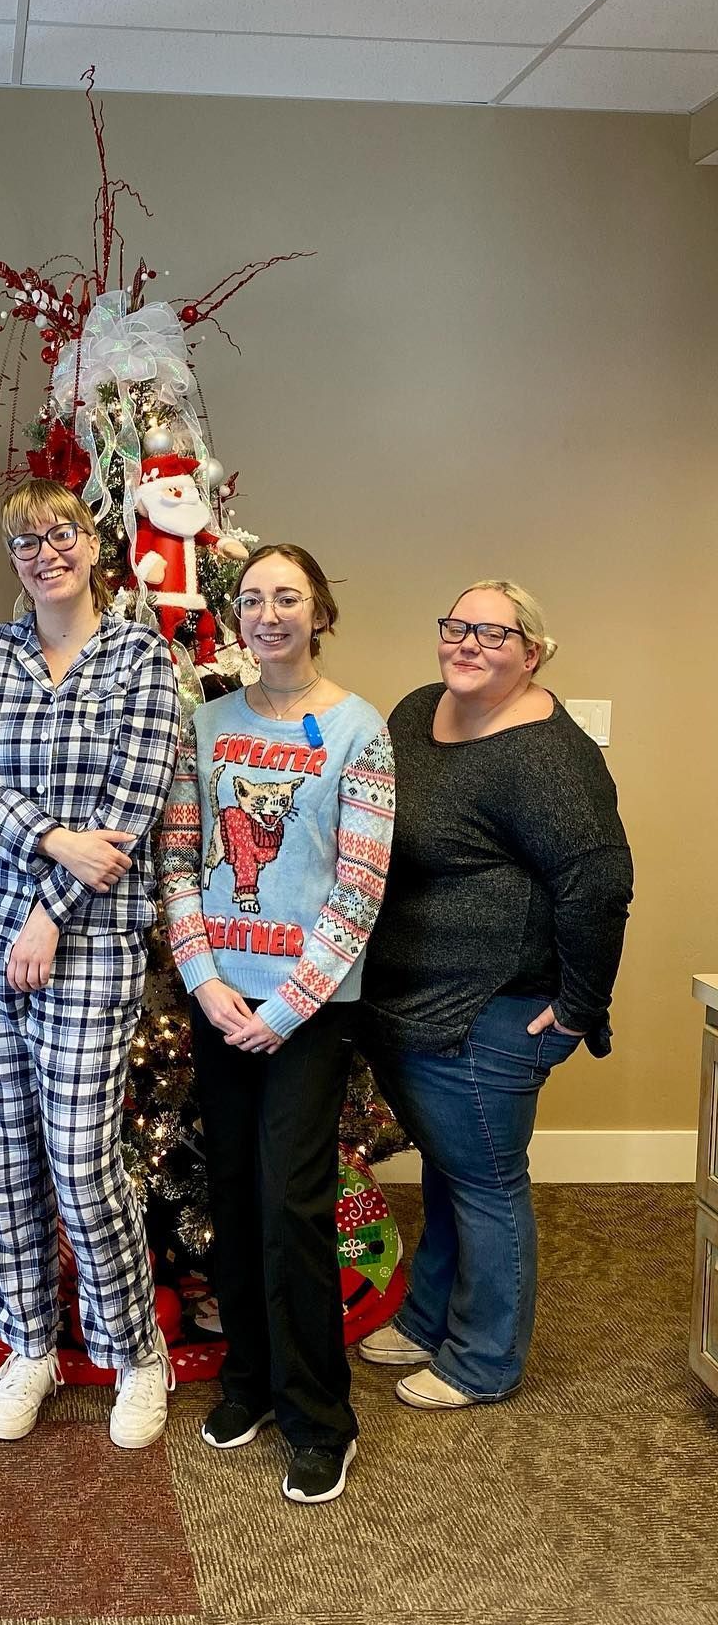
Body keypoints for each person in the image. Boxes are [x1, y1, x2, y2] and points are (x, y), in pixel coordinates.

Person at [0, 477, 181, 1450]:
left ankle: (137, 1354)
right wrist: (50, 840)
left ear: (93, 543)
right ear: (14, 559)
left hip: (87, 941)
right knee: (2, 1152)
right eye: (27, 541)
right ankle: (28, 1344)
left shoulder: (141, 657)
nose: (46, 553)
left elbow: (135, 803)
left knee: (80, 1159)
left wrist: (49, 912)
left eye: (61, 533)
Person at [355, 581, 632, 1409]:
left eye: (493, 633)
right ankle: (429, 1320)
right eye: (457, 626)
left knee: (485, 1186)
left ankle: (484, 1360)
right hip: (412, 1002)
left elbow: (598, 884)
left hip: (491, 1009)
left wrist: (580, 1005)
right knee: (451, 1170)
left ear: (531, 653)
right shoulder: (417, 712)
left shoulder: (548, 756)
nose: (468, 643)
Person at [159, 543, 394, 1505]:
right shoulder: (205, 723)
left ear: (318, 613)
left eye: (287, 598)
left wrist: (290, 1005)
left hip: (311, 1009)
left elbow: (361, 883)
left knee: (293, 1201)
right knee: (230, 1187)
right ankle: (250, 1380)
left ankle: (318, 1418)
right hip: (220, 997)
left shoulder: (358, 729)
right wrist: (206, 982)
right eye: (252, 599)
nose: (268, 614)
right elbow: (178, 860)